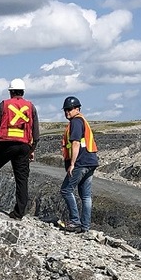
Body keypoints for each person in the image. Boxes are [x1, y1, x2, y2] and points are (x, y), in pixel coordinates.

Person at [0, 78, 39, 220]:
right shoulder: (31, 107)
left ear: (10, 92)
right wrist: (32, 149)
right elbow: (35, 132)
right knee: (22, 179)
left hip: (5, 144)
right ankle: (19, 213)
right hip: (24, 146)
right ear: (23, 92)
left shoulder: (4, 105)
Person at [59, 96, 98, 233]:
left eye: (69, 109)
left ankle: (75, 221)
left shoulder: (76, 122)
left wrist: (72, 164)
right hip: (90, 161)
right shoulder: (82, 121)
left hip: (81, 162)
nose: (67, 112)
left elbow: (75, 143)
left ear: (77, 109)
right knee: (86, 196)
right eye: (65, 110)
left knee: (66, 190)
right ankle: (85, 227)